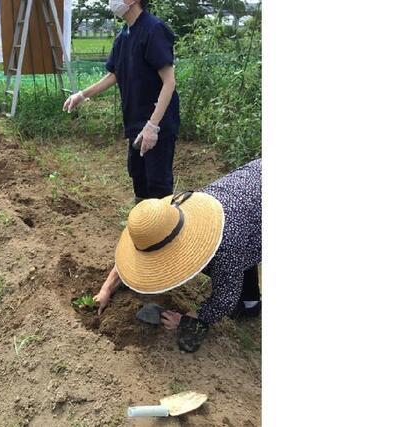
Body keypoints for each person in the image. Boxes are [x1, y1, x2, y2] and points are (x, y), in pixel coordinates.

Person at [94, 159, 262, 352]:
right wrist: (106, 288)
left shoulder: (225, 245)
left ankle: (250, 304)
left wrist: (188, 319)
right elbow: (136, 254)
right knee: (239, 249)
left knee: (234, 259)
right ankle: (251, 302)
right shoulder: (169, 216)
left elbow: (224, 299)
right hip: (247, 196)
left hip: (253, 208)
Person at [63, 0, 180, 202]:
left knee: (158, 186)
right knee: (139, 181)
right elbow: (115, 74)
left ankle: (165, 231)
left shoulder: (154, 29)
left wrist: (153, 126)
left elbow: (169, 82)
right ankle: (143, 228)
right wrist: (82, 95)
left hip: (157, 123)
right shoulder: (124, 35)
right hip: (135, 121)